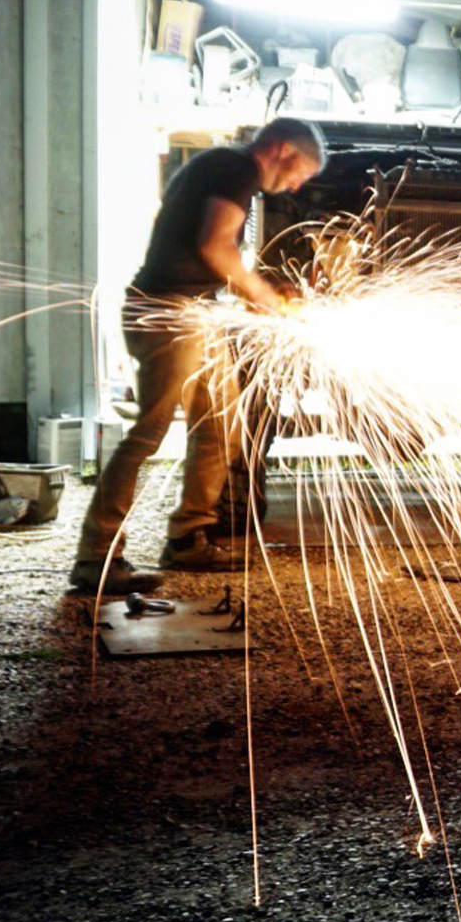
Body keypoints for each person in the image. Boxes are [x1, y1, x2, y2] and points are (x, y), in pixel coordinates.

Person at [69, 116, 326, 594]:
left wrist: (257, 295)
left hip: (193, 313)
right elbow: (215, 247)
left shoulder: (221, 168)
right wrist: (270, 301)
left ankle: (188, 536)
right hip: (169, 313)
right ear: (284, 151)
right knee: (148, 433)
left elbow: (211, 254)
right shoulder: (237, 168)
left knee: (222, 428)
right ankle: (96, 557)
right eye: (300, 174)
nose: (295, 185)